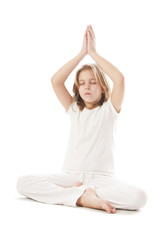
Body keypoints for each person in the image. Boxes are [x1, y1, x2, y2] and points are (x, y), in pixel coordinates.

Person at [16, 24, 147, 214]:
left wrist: (93, 53)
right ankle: (82, 196)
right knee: (23, 183)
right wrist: (81, 54)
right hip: (71, 177)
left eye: (93, 82)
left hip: (103, 179)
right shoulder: (74, 109)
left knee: (139, 197)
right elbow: (56, 81)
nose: (87, 86)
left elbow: (119, 79)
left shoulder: (110, 109)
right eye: (82, 83)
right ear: (77, 88)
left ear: (102, 87)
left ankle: (80, 195)